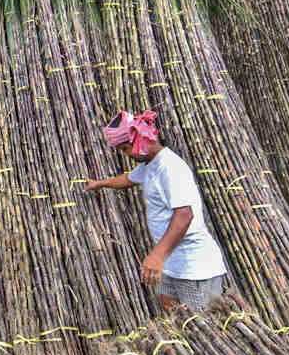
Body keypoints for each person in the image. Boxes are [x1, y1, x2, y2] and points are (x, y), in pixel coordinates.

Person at [85, 110, 227, 312]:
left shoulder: (170, 168)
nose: (126, 155)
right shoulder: (150, 165)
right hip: (172, 263)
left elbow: (185, 215)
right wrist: (101, 183)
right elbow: (127, 179)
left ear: (141, 139)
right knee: (173, 316)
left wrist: (157, 255)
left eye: (126, 148)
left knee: (203, 324)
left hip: (196, 267)